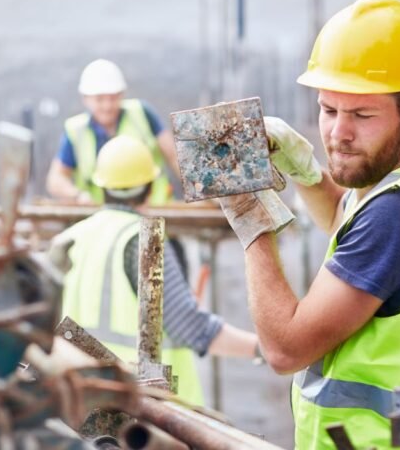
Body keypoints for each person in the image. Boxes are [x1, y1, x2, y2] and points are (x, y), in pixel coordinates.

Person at [218, 0, 400, 449]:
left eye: (361, 114)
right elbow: (344, 219)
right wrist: (305, 170)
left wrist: (249, 217)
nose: (338, 133)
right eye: (328, 110)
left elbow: (284, 349)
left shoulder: (396, 214)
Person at [55, 135, 258, 406]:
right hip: (143, 412)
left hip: (80, 405)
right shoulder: (144, 241)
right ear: (150, 188)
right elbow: (190, 326)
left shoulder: (68, 238)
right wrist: (261, 348)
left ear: (99, 187)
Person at [46, 58, 180, 205]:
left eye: (113, 97)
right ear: (85, 99)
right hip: (103, 219)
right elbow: (56, 179)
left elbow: (175, 157)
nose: (107, 106)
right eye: (100, 99)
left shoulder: (142, 114)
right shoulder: (76, 131)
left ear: (122, 94)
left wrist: (200, 190)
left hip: (153, 214)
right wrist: (77, 195)